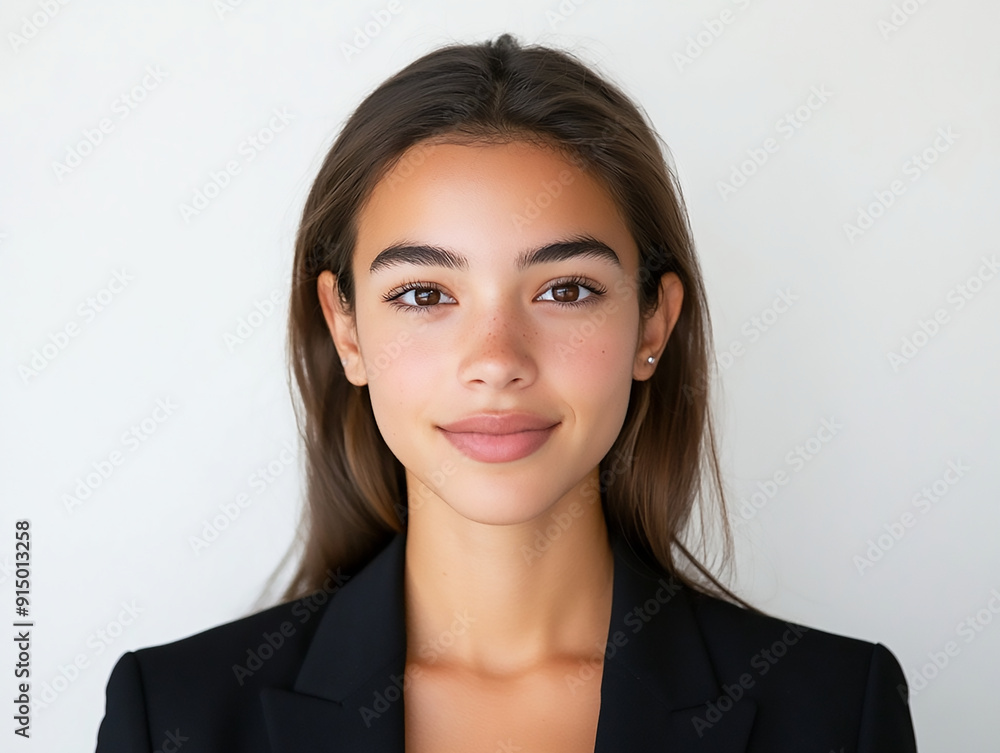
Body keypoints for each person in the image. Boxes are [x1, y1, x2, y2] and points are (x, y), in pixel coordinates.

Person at [95, 33, 918, 752]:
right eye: (424, 294)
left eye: (565, 290)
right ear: (346, 329)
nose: (496, 361)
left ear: (653, 325)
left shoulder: (837, 709)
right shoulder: (176, 716)